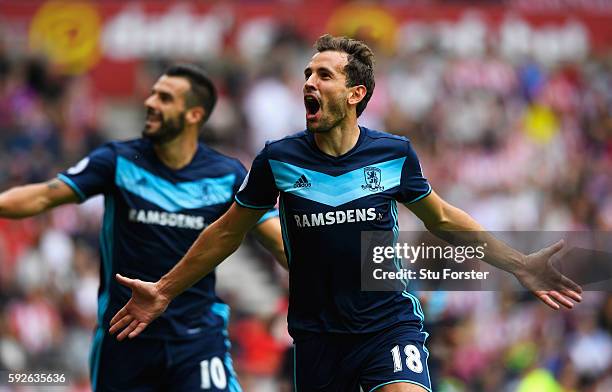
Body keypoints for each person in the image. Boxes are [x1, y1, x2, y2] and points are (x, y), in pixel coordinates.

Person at [109, 36, 583, 392]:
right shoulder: (278, 159)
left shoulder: (394, 154)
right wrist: (165, 290)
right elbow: (226, 233)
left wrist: (519, 263)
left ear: (356, 94)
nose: (309, 83)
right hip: (317, 337)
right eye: (307, 75)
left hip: (387, 322)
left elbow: (444, 219)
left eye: (324, 75)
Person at [0, 64, 286, 391]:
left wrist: (339, 281)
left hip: (196, 340)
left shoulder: (227, 174)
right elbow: (41, 197)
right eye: (152, 94)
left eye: (164, 98)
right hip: (125, 339)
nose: (150, 102)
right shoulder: (118, 160)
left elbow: (278, 240)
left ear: (193, 114)